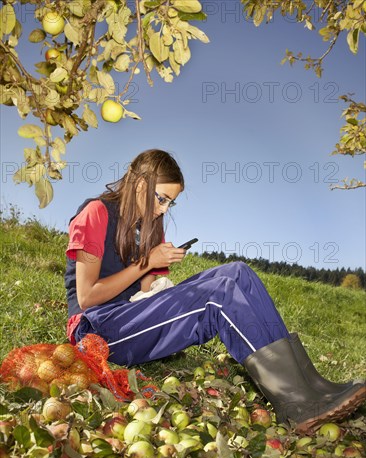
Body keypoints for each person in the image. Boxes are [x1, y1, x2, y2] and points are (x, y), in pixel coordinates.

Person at [65, 149, 365, 434]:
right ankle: (295, 403)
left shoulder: (151, 227)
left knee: (238, 273)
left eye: (171, 203)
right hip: (97, 331)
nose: (164, 210)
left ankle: (313, 385)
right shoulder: (97, 212)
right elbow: (87, 298)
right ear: (140, 184)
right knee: (218, 293)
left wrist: (157, 284)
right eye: (162, 199)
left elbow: (145, 292)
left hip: (132, 317)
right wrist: (147, 262)